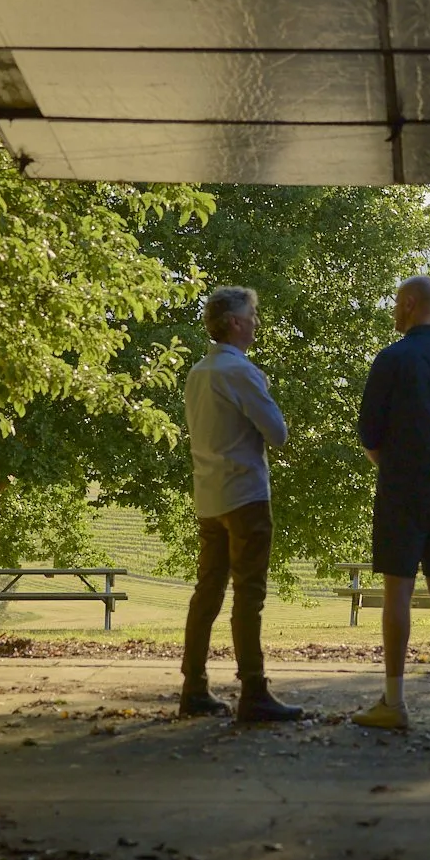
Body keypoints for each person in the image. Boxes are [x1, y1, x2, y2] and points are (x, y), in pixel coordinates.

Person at [352, 275, 430, 730]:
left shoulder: (391, 359)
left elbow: (370, 435)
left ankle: (395, 701)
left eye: (396, 302)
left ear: (409, 304)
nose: (394, 309)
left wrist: (393, 465)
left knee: (398, 591)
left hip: (401, 490)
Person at [178, 286, 303, 722]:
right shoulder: (241, 373)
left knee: (207, 592)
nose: (256, 323)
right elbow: (278, 433)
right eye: (251, 316)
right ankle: (253, 690)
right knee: (249, 595)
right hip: (246, 496)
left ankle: (194, 686)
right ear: (234, 322)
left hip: (209, 497)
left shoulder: (198, 373)